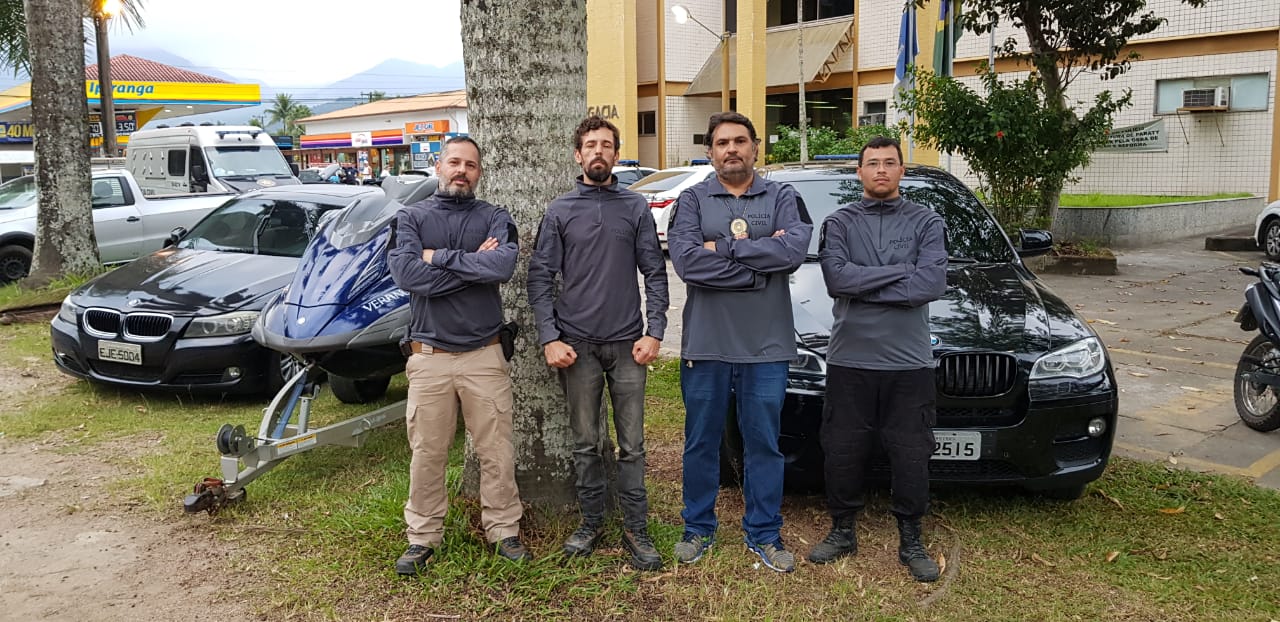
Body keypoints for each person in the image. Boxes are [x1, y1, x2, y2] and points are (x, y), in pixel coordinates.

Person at [667, 111, 812, 573]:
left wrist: (723, 249)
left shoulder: (783, 196)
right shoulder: (691, 201)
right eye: (722, 142)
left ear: (755, 148)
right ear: (710, 152)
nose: (731, 149)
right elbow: (687, 263)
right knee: (701, 442)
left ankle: (764, 532)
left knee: (763, 442)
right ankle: (697, 528)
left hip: (767, 346)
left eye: (740, 141)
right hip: (706, 344)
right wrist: (757, 269)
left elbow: (792, 252)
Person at [527, 116, 669, 571]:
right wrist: (550, 337)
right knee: (586, 442)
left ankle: (636, 527)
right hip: (577, 346)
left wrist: (655, 330)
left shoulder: (635, 207)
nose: (598, 152)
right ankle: (591, 522)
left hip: (628, 345)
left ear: (616, 154)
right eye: (590, 145)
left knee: (633, 445)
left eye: (606, 145)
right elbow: (539, 278)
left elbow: (655, 272)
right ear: (578, 155)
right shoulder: (560, 210)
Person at [387, 136, 531, 575]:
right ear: (438, 166)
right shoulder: (410, 217)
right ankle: (422, 537)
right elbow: (407, 275)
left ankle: (503, 530)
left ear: (479, 172)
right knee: (427, 452)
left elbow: (501, 267)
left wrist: (437, 258)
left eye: (470, 165)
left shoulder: (495, 217)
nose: (461, 171)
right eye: (454, 162)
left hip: (484, 355)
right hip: (429, 356)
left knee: (496, 450)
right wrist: (471, 265)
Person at [807, 136, 947, 583]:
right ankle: (842, 529)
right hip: (851, 359)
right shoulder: (840, 222)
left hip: (910, 363)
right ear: (859, 172)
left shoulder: (927, 221)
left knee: (911, 452)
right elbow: (837, 280)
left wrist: (865, 282)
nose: (881, 170)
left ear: (902, 170)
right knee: (843, 448)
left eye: (889, 162)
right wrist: (902, 271)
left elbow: (930, 285)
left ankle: (911, 537)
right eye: (872, 163)